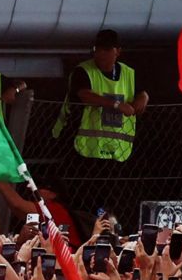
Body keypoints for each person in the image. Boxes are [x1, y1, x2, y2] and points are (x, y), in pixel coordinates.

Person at [56, 28, 148, 224]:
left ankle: (114, 230)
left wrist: (140, 102)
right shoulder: (84, 71)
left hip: (118, 152)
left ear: (117, 52)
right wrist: (116, 105)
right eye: (98, 49)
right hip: (84, 149)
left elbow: (143, 93)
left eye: (107, 50)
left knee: (116, 198)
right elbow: (83, 94)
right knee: (84, 198)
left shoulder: (129, 74)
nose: (102, 54)